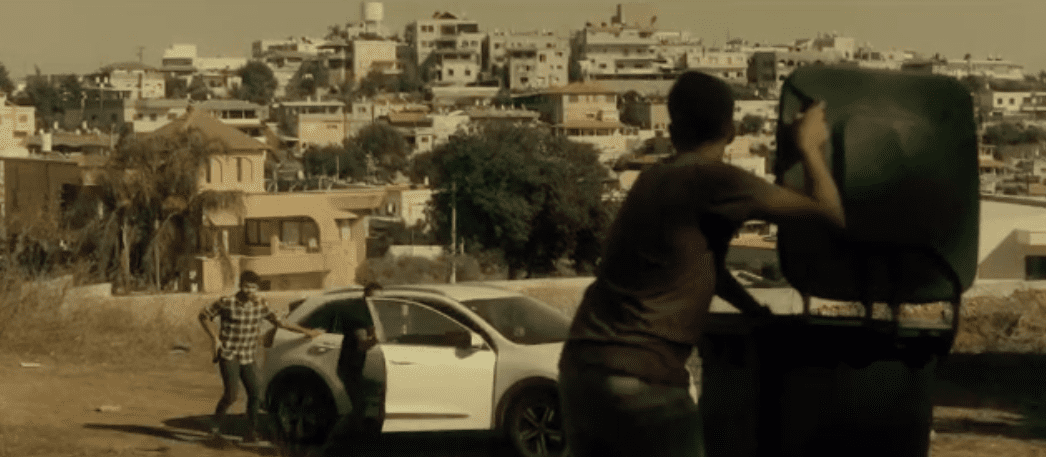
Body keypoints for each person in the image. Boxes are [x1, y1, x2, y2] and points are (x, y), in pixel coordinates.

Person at [557, 71, 846, 457]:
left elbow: (703, 267)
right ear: (730, 129)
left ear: (672, 130)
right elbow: (830, 215)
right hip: (643, 379)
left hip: (582, 369)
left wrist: (752, 309)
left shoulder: (651, 179)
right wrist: (810, 148)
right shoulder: (718, 181)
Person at [198, 270, 324, 443]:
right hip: (229, 354)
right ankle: (214, 428)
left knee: (255, 393)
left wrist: (306, 332)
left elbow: (280, 322)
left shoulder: (261, 304)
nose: (249, 291)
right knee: (231, 395)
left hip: (248, 355)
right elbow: (204, 316)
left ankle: (251, 432)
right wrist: (214, 338)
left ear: (257, 288)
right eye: (246, 286)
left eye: (253, 287)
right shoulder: (226, 302)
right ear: (240, 285)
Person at [319, 281, 385, 456]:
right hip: (350, 368)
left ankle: (351, 443)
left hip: (360, 368)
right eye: (373, 299)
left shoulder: (372, 314)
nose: (376, 302)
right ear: (365, 298)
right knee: (357, 408)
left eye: (380, 299)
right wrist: (377, 338)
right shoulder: (358, 316)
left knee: (362, 408)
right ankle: (332, 444)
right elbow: (362, 344)